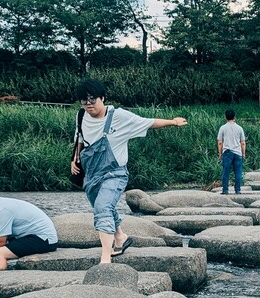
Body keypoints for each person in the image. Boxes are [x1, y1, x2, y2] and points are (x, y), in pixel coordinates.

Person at [71, 78, 187, 264]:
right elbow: (79, 138)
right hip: (92, 174)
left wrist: (173, 122)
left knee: (102, 208)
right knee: (104, 207)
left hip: (115, 173)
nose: (88, 104)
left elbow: (148, 122)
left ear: (103, 98)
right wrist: (74, 158)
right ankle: (121, 237)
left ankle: (105, 258)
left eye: (92, 100)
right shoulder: (81, 115)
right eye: (84, 100)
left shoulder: (119, 116)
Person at [0, 190, 58, 270]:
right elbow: (1, 241)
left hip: (44, 240)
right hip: (39, 237)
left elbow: (0, 242)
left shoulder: (2, 210)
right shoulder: (3, 204)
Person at [217, 109, 246, 195]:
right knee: (238, 172)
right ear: (234, 117)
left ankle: (225, 190)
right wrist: (243, 153)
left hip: (227, 152)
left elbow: (220, 142)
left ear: (226, 117)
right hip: (237, 153)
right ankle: (237, 190)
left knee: (226, 172)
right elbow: (243, 142)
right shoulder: (240, 128)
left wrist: (220, 153)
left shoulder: (223, 128)